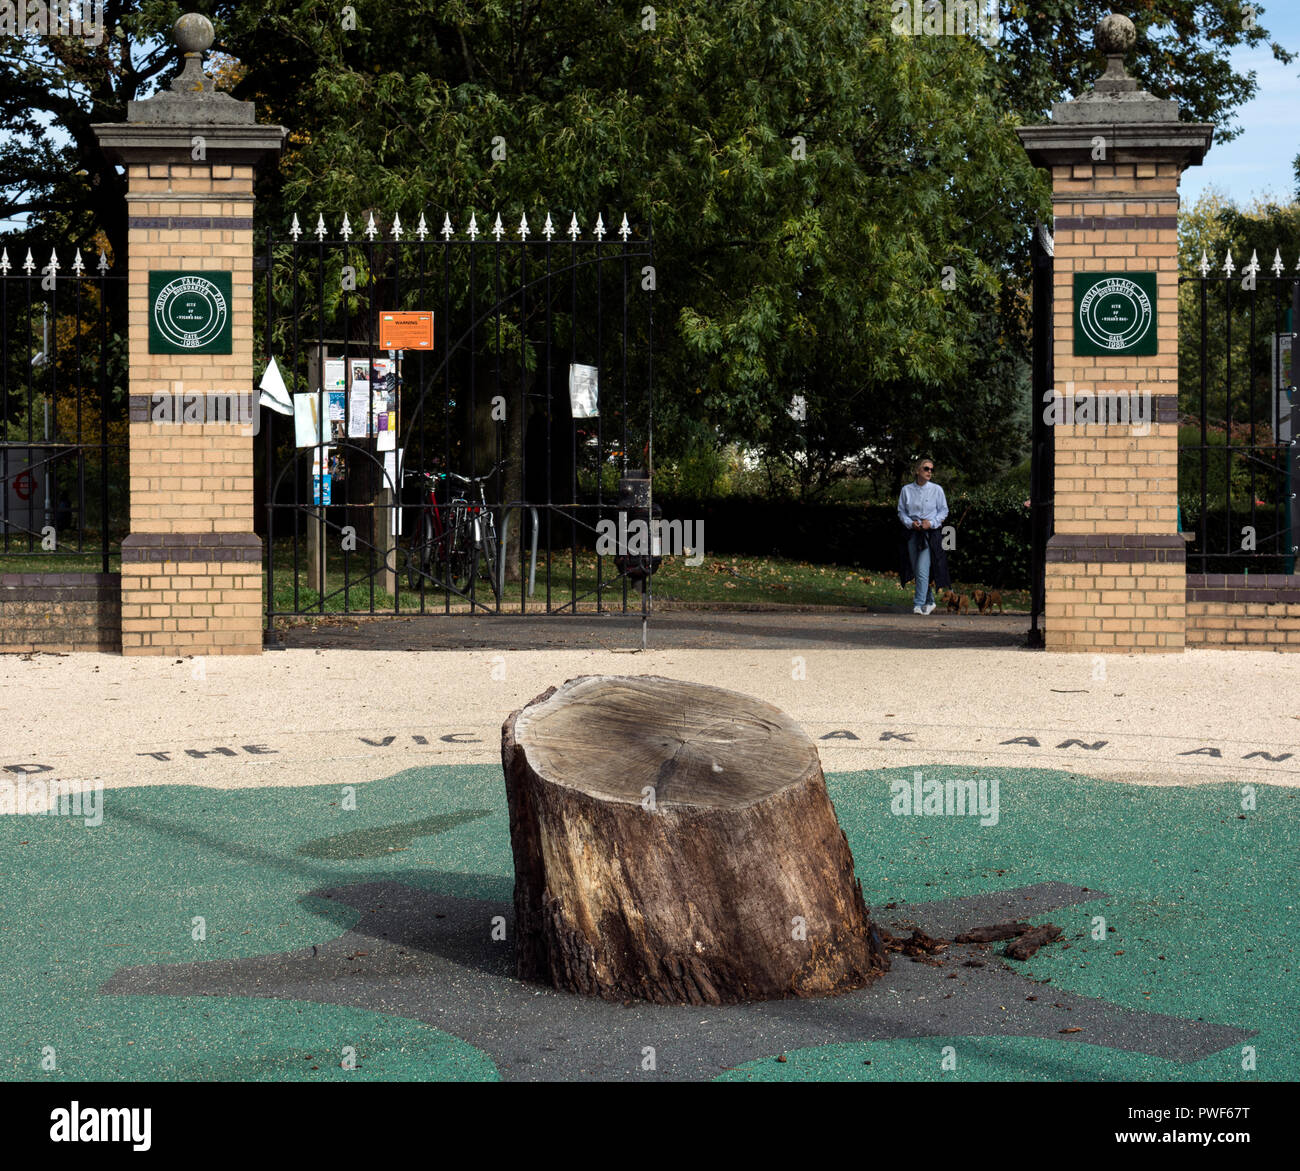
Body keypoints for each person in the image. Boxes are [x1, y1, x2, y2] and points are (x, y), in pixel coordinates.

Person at [897, 457, 950, 614]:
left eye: (931, 469)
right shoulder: (906, 490)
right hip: (913, 533)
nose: (929, 472)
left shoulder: (937, 490)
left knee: (921, 569)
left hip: (930, 535)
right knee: (916, 568)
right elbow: (901, 511)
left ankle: (918, 604)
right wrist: (909, 523)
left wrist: (931, 523)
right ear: (917, 470)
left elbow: (943, 511)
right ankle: (930, 601)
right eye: (926, 468)